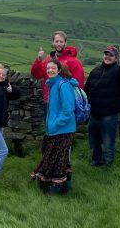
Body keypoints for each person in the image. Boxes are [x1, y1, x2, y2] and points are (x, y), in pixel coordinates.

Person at [31, 58, 78, 194]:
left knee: (57, 159)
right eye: (48, 68)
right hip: (55, 129)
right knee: (59, 158)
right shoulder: (53, 85)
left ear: (58, 70)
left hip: (63, 129)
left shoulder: (63, 85)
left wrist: (55, 123)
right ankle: (66, 187)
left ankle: (55, 189)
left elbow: (68, 109)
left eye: (53, 68)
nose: (50, 70)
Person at [84, 44, 120, 167]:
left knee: (108, 143)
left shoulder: (119, 72)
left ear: (116, 58)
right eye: (106, 54)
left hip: (109, 115)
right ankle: (95, 163)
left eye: (111, 55)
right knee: (94, 142)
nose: (107, 57)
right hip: (94, 114)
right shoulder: (95, 71)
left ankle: (107, 166)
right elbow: (87, 89)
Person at [31, 31, 85, 110]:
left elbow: (78, 85)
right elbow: (37, 74)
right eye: (56, 41)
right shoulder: (48, 59)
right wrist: (38, 60)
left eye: (61, 41)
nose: (59, 44)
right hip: (49, 101)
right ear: (53, 42)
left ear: (65, 43)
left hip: (65, 103)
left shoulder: (74, 62)